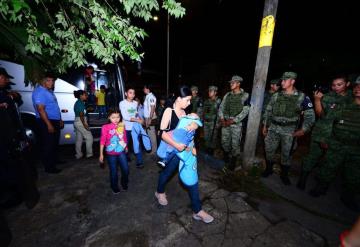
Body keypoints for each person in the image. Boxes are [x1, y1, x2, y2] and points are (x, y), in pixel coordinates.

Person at [154, 85, 214, 224]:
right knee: (167, 173)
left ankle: (197, 210)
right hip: (172, 150)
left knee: (192, 178)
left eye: (189, 101)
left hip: (186, 150)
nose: (188, 103)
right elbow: (161, 133)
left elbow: (188, 133)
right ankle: (159, 192)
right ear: (179, 98)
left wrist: (193, 146)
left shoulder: (185, 113)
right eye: (187, 100)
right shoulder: (169, 111)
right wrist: (176, 145)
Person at [309, 77, 360, 211]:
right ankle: (321, 188)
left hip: (356, 148)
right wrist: (325, 139)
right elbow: (327, 121)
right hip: (337, 144)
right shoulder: (343, 105)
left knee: (353, 174)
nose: (358, 88)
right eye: (356, 86)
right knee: (328, 167)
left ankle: (348, 196)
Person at [297, 75, 352, 190]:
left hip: (340, 135)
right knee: (312, 156)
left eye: (339, 84)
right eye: (333, 85)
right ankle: (302, 180)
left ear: (347, 84)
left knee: (330, 162)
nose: (336, 87)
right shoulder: (328, 97)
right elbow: (321, 114)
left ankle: (321, 186)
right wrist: (317, 100)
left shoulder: (352, 98)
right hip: (321, 132)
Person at [262, 71, 315, 185]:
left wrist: (304, 129)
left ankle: (284, 175)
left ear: (292, 81)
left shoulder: (302, 97)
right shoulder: (276, 95)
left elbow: (310, 115)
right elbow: (268, 111)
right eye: (282, 80)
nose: (282, 82)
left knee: (287, 154)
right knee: (269, 150)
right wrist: (265, 126)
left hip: (289, 131)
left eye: (285, 80)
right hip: (273, 128)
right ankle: (268, 169)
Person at [32, 72, 63, 174]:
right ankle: (49, 167)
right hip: (47, 121)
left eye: (52, 81)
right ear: (43, 81)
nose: (52, 83)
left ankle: (54, 161)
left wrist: (60, 119)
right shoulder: (39, 92)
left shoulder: (49, 91)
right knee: (48, 144)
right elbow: (41, 109)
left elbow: (55, 106)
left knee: (54, 143)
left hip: (54, 120)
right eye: (49, 80)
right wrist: (48, 124)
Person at [218, 75, 250, 170]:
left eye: (233, 82)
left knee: (235, 144)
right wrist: (222, 119)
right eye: (231, 82)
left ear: (239, 84)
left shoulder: (245, 95)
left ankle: (233, 162)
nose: (231, 84)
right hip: (225, 122)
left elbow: (246, 110)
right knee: (224, 142)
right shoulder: (227, 95)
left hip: (236, 124)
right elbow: (221, 108)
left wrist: (233, 120)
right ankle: (226, 158)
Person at [99, 109, 129, 194]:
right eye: (113, 117)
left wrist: (126, 146)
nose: (116, 119)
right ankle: (114, 186)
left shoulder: (121, 125)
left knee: (126, 169)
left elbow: (124, 137)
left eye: (118, 117)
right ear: (109, 117)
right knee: (113, 171)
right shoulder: (105, 127)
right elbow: (102, 141)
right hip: (110, 153)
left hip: (121, 151)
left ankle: (124, 182)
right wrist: (101, 154)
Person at [119, 86, 144, 168]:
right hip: (125, 127)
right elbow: (125, 117)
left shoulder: (135, 103)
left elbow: (136, 113)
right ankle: (125, 158)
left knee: (137, 144)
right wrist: (137, 120)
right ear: (126, 93)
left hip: (134, 127)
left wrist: (139, 118)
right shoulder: (122, 103)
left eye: (133, 93)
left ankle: (139, 162)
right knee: (125, 145)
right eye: (130, 92)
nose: (132, 95)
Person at [73, 90, 93, 159]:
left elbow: (82, 112)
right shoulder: (80, 103)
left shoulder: (80, 102)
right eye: (85, 95)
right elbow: (81, 115)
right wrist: (85, 125)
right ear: (81, 96)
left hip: (77, 121)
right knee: (89, 137)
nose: (86, 96)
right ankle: (89, 154)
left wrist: (87, 109)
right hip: (81, 121)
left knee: (79, 139)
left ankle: (78, 155)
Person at [203, 85, 221, 155]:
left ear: (215, 92)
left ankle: (212, 151)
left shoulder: (218, 101)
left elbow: (220, 113)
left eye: (211, 91)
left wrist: (218, 123)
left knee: (213, 138)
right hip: (206, 122)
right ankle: (207, 149)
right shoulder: (206, 101)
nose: (209, 92)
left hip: (213, 123)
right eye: (209, 91)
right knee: (206, 137)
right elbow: (204, 111)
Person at [143, 84, 157, 154]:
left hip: (150, 117)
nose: (143, 89)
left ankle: (154, 150)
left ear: (148, 89)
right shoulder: (147, 96)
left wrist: (150, 119)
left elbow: (152, 108)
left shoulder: (151, 97)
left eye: (144, 88)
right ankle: (152, 148)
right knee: (149, 134)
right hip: (147, 117)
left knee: (152, 134)